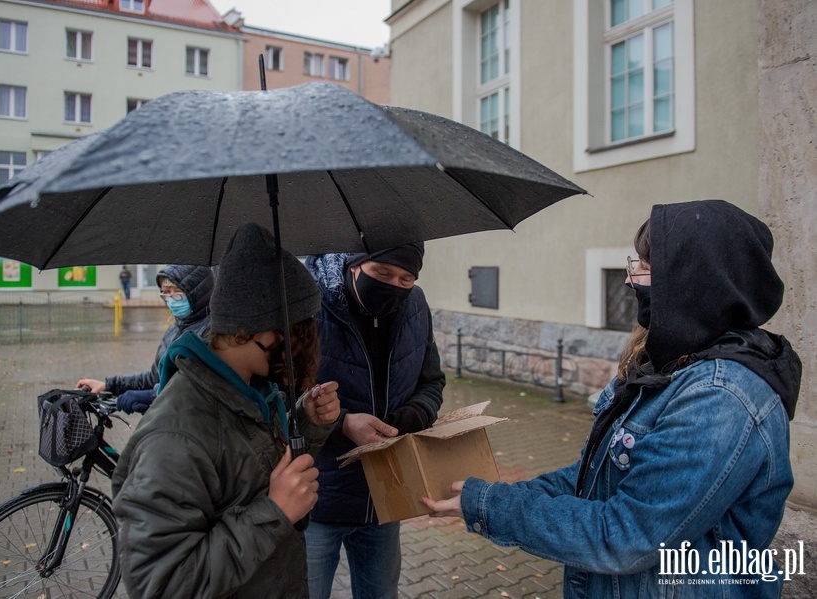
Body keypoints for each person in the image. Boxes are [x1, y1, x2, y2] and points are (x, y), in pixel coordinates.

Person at [423, 200, 802, 597]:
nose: (631, 279)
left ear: (694, 281)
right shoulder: (673, 365)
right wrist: (495, 496)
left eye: (646, 267)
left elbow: (625, 536)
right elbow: (595, 476)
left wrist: (491, 506)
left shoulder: (719, 397)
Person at [111, 222, 341, 598]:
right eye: (298, 331)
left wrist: (308, 423)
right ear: (252, 331)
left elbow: (255, 472)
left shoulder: (250, 391)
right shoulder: (177, 435)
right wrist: (275, 512)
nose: (305, 345)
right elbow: (160, 582)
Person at [304, 243, 446, 599]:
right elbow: (277, 393)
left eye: (406, 278)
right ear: (354, 264)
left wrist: (413, 416)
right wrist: (343, 424)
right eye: (382, 274)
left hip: (384, 495)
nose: (394, 285)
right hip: (316, 497)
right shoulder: (306, 303)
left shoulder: (414, 304)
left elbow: (432, 381)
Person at [76, 264, 212, 413]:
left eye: (178, 293)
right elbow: (155, 377)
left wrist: (152, 395)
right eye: (166, 293)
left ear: (197, 292)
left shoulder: (211, 333)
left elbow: (199, 389)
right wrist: (109, 385)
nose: (172, 300)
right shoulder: (176, 328)